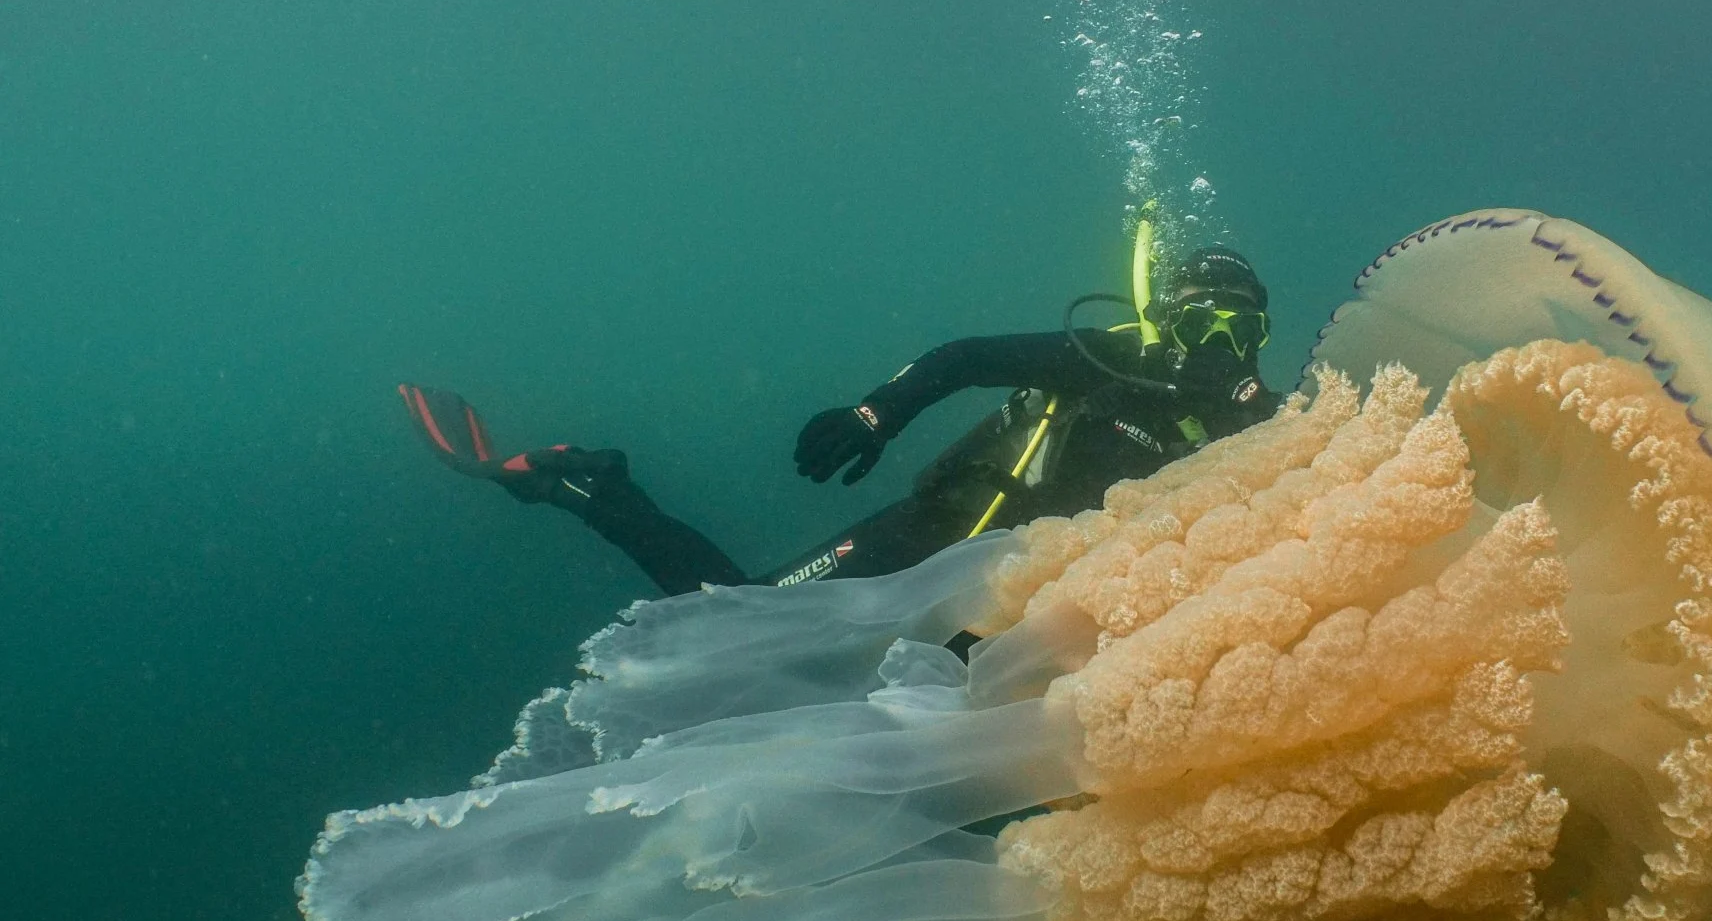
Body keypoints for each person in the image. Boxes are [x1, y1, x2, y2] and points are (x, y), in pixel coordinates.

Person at [401, 243, 1280, 598]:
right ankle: (595, 486)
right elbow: (965, 356)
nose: (1216, 343)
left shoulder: (1266, 426)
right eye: (1199, 319)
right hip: (940, 531)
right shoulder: (1115, 357)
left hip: (1027, 603)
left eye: (1238, 329)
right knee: (744, 622)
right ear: (1167, 318)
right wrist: (876, 413)